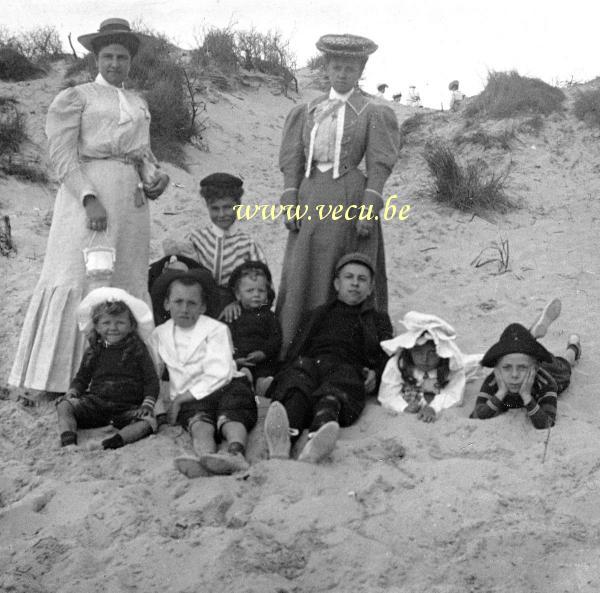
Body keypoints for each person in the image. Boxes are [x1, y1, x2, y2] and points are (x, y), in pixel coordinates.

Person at [9, 18, 169, 398]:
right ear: (96, 58)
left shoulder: (138, 102)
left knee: (124, 280)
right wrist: (88, 197)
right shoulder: (76, 97)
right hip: (88, 199)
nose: (115, 64)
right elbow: (62, 157)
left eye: (122, 57)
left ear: (131, 61)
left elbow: (142, 154)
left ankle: (121, 377)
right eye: (108, 56)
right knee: (78, 276)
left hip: (131, 204)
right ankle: (57, 380)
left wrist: (155, 177)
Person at [277, 34, 399, 356]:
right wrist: (290, 200)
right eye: (336, 67)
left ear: (360, 72)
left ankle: (346, 350)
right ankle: (296, 346)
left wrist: (369, 209)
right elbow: (293, 160)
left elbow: (378, 165)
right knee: (305, 267)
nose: (342, 74)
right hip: (311, 196)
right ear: (327, 69)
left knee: (344, 268)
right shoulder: (307, 110)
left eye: (350, 68)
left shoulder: (372, 112)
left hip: (350, 197)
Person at [263, 253, 393, 463]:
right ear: (336, 284)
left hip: (348, 367)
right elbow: (297, 347)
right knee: (298, 386)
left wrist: (376, 375)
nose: (354, 284)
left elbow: (387, 352)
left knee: (333, 394)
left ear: (370, 289)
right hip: (312, 361)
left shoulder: (377, 319)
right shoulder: (318, 313)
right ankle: (282, 440)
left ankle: (317, 439)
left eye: (362, 280)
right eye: (349, 277)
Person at [148, 272, 257, 477]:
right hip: (189, 396)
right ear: (166, 304)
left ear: (203, 307)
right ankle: (206, 458)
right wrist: (161, 410)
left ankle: (235, 453)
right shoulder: (159, 334)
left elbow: (219, 372)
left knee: (231, 414)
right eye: (178, 302)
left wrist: (181, 399)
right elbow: (154, 372)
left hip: (226, 384)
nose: (184, 309)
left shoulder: (216, 329)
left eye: (192, 303)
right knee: (198, 422)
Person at [56, 287, 159, 449]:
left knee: (148, 422)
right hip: (96, 405)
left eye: (120, 322)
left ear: (132, 325)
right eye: (106, 323)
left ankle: (110, 443)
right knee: (64, 405)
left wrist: (147, 405)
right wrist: (73, 391)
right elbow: (82, 377)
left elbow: (151, 380)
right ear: (96, 326)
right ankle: (69, 440)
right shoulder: (94, 350)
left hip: (127, 408)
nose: (113, 328)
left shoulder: (137, 349)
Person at [162, 173, 267, 314]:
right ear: (207, 206)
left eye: (227, 207)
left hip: (235, 309)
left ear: (238, 205)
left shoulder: (247, 244)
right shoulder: (196, 238)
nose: (222, 214)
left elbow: (263, 286)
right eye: (215, 208)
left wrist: (239, 302)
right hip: (199, 306)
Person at [470, 298, 581, 429]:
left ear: (535, 368)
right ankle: (527, 339)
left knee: (566, 366)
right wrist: (500, 393)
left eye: (521, 368)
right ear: (497, 369)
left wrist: (527, 397)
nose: (514, 375)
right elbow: (476, 416)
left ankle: (574, 346)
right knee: (519, 357)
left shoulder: (546, 382)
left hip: (550, 368)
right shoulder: (494, 380)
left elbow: (547, 422)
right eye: (506, 368)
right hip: (527, 358)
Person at [378, 312, 482, 422]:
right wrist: (403, 406)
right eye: (418, 352)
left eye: (432, 353)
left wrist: (433, 407)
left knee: (474, 363)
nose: (425, 359)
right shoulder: (398, 364)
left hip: (459, 367)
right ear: (410, 351)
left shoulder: (452, 365)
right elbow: (387, 394)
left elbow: (454, 395)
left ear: (441, 353)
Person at [225, 261, 281, 394]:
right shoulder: (235, 315)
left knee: (266, 372)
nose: (256, 294)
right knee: (238, 372)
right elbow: (227, 339)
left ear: (267, 294)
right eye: (250, 290)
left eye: (261, 290)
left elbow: (276, 338)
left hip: (263, 359)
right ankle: (246, 382)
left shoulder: (269, 316)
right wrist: (237, 358)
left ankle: (263, 386)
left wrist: (264, 353)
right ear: (238, 295)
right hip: (241, 359)